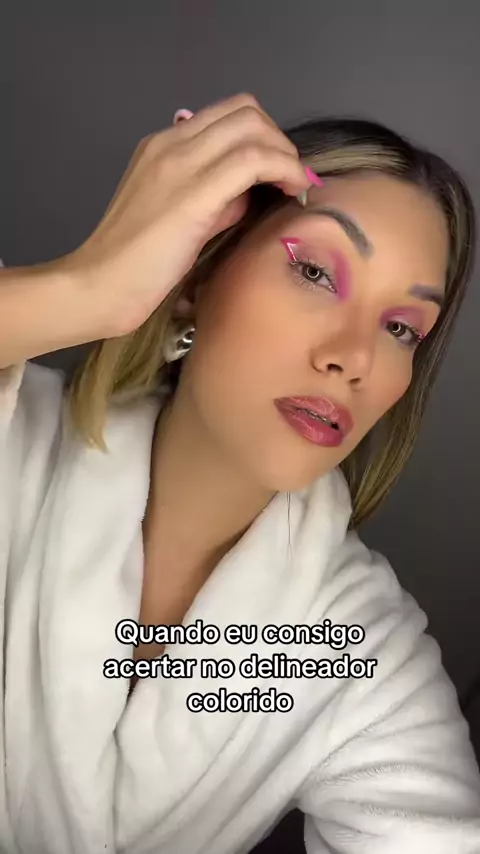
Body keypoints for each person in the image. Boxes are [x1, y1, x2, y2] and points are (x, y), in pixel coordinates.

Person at [0, 92, 479, 854]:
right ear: (198, 274)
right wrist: (87, 289)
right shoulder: (15, 444)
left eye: (400, 327)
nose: (354, 357)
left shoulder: (360, 647)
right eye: (315, 271)